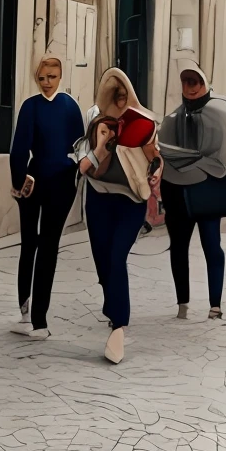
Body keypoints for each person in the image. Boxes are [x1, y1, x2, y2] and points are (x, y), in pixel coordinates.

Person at [79, 67, 160, 365]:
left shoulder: (144, 122)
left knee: (116, 258)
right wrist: (103, 145)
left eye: (126, 97)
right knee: (103, 262)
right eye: (116, 97)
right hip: (99, 199)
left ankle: (119, 325)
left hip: (130, 203)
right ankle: (113, 305)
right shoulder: (95, 121)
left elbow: (155, 156)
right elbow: (89, 167)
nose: (121, 103)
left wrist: (156, 170)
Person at [7, 52, 84, 338]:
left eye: (51, 77)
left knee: (49, 246)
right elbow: (18, 149)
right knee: (29, 243)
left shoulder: (70, 106)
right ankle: (25, 310)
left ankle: (40, 319)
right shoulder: (31, 106)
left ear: (60, 76)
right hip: (33, 183)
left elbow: (80, 147)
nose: (46, 82)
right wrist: (19, 184)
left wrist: (74, 172)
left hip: (62, 184)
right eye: (41, 78)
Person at [157, 62, 226, 319]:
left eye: (195, 82)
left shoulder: (220, 110)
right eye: (186, 82)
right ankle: (182, 304)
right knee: (178, 247)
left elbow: (221, 155)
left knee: (212, 245)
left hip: (207, 192)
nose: (190, 88)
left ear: (204, 84)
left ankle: (215, 304)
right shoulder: (173, 118)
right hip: (177, 192)